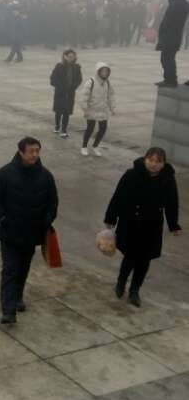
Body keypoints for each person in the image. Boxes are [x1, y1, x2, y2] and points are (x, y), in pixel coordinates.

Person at [0, 137, 59, 324]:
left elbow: (53, 202)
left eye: (37, 151)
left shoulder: (46, 176)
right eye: (31, 151)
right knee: (10, 270)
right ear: (21, 152)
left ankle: (18, 297)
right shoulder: (5, 174)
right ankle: (9, 310)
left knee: (23, 268)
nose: (35, 154)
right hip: (10, 233)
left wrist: (47, 219)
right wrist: (3, 219)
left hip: (32, 234)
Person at [104, 147, 181, 306]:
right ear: (145, 159)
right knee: (130, 257)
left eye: (158, 161)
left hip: (152, 226)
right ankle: (121, 282)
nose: (153, 164)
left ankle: (135, 290)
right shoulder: (131, 175)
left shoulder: (167, 179)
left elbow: (172, 203)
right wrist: (111, 217)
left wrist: (173, 225)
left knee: (144, 260)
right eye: (151, 160)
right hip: (131, 223)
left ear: (163, 164)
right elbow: (118, 196)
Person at [155, 0, 189, 88]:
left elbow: (169, 21)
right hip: (172, 35)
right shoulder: (180, 3)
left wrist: (163, 31)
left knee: (167, 58)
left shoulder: (178, 4)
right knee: (167, 57)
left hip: (171, 35)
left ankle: (170, 80)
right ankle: (170, 79)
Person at [81, 62, 115, 156]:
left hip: (103, 110)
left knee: (103, 129)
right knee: (90, 129)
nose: (105, 73)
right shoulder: (91, 82)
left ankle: (95, 146)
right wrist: (85, 108)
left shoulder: (107, 83)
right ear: (98, 72)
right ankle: (84, 147)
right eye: (103, 71)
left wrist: (112, 107)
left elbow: (111, 96)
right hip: (92, 109)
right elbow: (84, 96)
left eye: (106, 71)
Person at [49, 49, 82, 138]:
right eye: (69, 56)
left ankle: (64, 130)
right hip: (60, 93)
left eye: (73, 56)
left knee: (67, 112)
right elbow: (53, 79)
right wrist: (60, 86)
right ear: (65, 57)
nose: (71, 58)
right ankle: (57, 126)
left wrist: (74, 87)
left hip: (70, 93)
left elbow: (79, 79)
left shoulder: (76, 67)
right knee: (58, 111)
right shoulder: (59, 66)